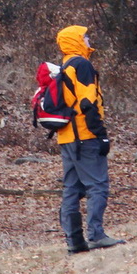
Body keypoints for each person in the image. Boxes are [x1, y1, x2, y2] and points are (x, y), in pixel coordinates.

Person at [54, 25, 124, 254]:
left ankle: (74, 241)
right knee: (98, 186)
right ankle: (96, 235)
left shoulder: (64, 66)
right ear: (75, 40)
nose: (88, 39)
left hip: (66, 137)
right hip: (85, 136)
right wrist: (101, 134)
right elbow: (88, 102)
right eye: (84, 36)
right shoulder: (81, 65)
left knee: (72, 189)